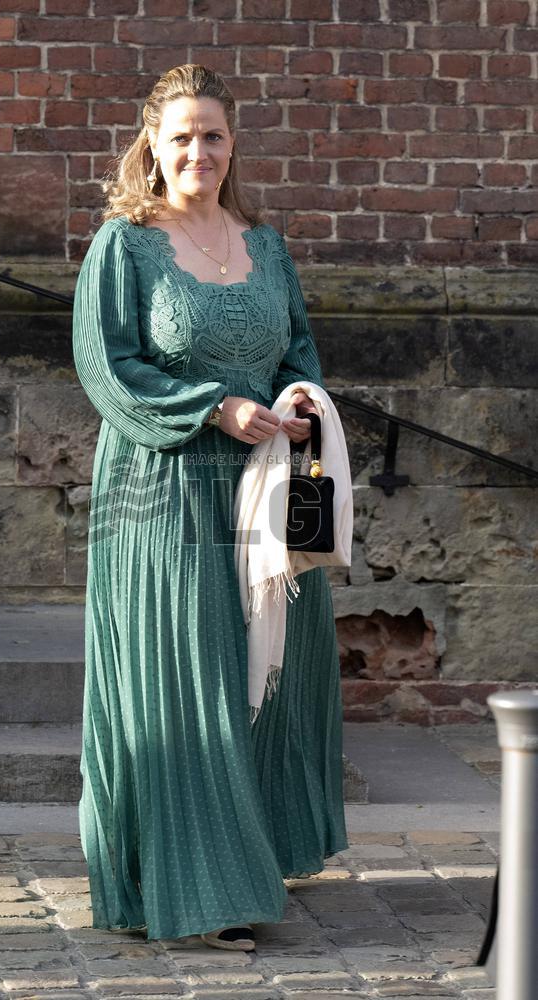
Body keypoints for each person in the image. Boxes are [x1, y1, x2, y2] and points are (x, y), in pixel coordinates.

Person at [72, 63, 348, 951]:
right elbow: (109, 372)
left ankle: (245, 860)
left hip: (264, 493)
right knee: (187, 685)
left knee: (262, 679)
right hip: (163, 495)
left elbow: (296, 347)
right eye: (182, 135)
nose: (200, 150)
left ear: (235, 145)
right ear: (152, 144)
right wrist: (212, 408)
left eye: (215, 135)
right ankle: (192, 887)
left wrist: (297, 400)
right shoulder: (126, 245)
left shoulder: (266, 244)